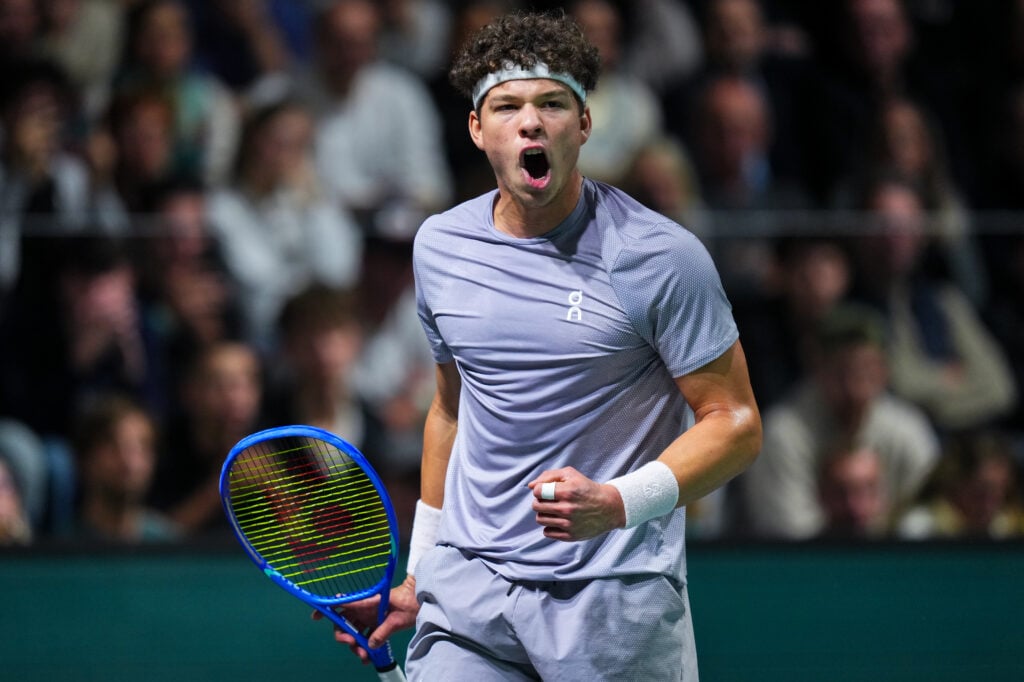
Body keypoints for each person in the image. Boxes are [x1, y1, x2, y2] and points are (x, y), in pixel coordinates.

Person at [325, 12, 762, 681]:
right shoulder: (439, 246)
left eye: (552, 104)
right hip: (469, 594)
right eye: (507, 106)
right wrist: (420, 573)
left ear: (582, 124)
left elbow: (735, 423)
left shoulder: (661, 257)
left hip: (613, 603)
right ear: (478, 129)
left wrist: (617, 501)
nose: (530, 122)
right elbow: (450, 411)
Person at [740, 302, 939, 540]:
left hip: (894, 560)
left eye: (867, 370)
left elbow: (928, 517)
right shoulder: (783, 433)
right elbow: (790, 534)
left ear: (884, 370)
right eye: (843, 371)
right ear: (817, 366)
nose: (855, 388)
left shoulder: (908, 430)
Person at [70, 392, 180, 543]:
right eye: (113, 446)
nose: (129, 461)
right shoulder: (59, 544)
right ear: (85, 458)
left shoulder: (169, 543)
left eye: (142, 447)